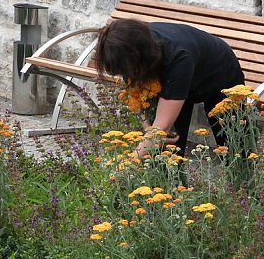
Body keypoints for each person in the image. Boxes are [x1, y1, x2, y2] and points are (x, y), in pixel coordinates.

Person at [94, 18, 245, 158]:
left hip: (220, 75)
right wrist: (149, 129)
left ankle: (243, 184)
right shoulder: (132, 51)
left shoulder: (178, 57)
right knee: (169, 147)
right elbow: (139, 99)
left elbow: (161, 126)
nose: (125, 76)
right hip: (179, 72)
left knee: (234, 147)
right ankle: (171, 185)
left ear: (138, 57)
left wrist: (129, 162)